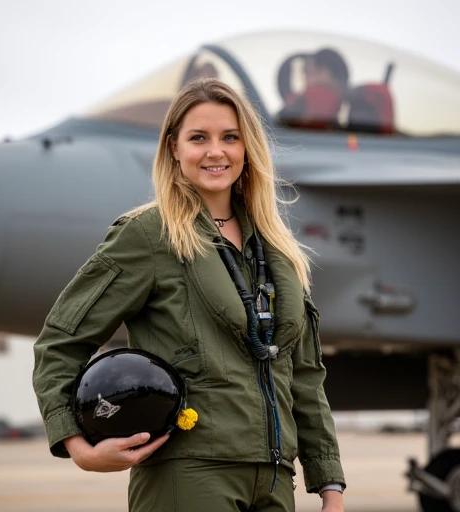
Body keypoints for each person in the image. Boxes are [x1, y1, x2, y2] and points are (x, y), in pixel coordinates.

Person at [33, 78, 346, 512]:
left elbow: (304, 377)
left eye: (229, 138)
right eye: (198, 138)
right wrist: (78, 446)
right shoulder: (149, 236)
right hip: (190, 476)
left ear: (247, 149)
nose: (215, 151)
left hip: (275, 480)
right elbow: (61, 340)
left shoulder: (276, 250)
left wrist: (330, 489)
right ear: (174, 149)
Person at [278, 48, 349, 130]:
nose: (305, 80)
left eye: (308, 72)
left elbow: (282, 123)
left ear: (324, 72)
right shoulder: (349, 103)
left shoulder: (315, 96)